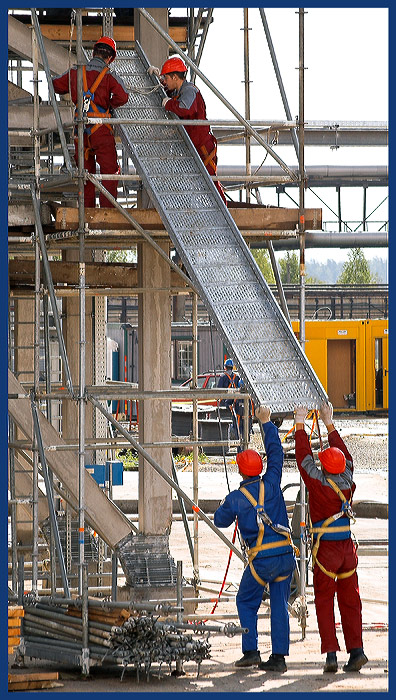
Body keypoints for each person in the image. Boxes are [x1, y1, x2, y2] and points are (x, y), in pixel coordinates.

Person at [214, 405, 296, 672]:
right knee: (279, 605)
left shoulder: (237, 498)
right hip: (285, 557)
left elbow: (219, 520)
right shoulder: (271, 482)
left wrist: (227, 504)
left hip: (261, 561)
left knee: (245, 600)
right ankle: (279, 658)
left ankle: (251, 651)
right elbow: (276, 454)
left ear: (240, 472)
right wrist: (266, 422)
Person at [294, 401, 368, 673]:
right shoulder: (348, 480)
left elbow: (303, 458)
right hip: (347, 550)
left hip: (326, 552)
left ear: (324, 467)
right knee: (351, 600)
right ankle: (357, 650)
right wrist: (329, 423)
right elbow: (347, 457)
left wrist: (300, 423)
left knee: (324, 601)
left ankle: (331, 656)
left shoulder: (318, 483)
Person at [52, 37, 129, 208]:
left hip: (80, 130)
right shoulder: (109, 75)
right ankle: (107, 214)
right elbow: (123, 96)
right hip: (100, 128)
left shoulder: (75, 72)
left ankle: (86, 214)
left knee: (84, 174)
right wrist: (109, 105)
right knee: (109, 171)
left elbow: (55, 85)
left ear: (93, 53)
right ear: (110, 58)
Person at [147, 57, 227, 204]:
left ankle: (225, 210)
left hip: (202, 148)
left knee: (211, 183)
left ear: (175, 77)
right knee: (194, 183)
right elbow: (171, 92)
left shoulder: (190, 90)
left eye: (167, 77)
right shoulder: (180, 90)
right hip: (193, 147)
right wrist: (158, 80)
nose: (165, 80)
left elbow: (184, 108)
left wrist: (169, 104)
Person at [233, 378, 254, 453]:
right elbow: (229, 403)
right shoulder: (238, 396)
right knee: (239, 436)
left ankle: (245, 450)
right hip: (240, 419)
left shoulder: (249, 397)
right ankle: (240, 451)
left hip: (247, 419)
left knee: (245, 436)